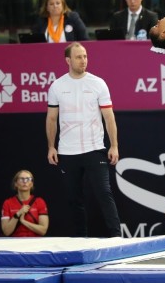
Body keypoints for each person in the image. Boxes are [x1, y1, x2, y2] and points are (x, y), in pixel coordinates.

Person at [46, 42, 121, 237]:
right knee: (74, 199)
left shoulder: (98, 83)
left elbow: (109, 117)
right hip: (67, 152)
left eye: (85, 56)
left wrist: (114, 145)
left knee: (104, 193)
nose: (83, 61)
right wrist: (51, 147)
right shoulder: (57, 86)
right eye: (79, 57)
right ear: (68, 60)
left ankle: (117, 238)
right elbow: (52, 118)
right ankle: (80, 240)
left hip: (94, 148)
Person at [1, 170, 49, 237]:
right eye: (21, 179)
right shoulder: (8, 203)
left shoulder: (39, 202)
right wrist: (18, 213)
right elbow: (6, 232)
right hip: (14, 243)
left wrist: (23, 221)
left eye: (28, 179)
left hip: (36, 243)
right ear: (16, 183)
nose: (25, 181)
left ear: (31, 184)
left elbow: (43, 231)